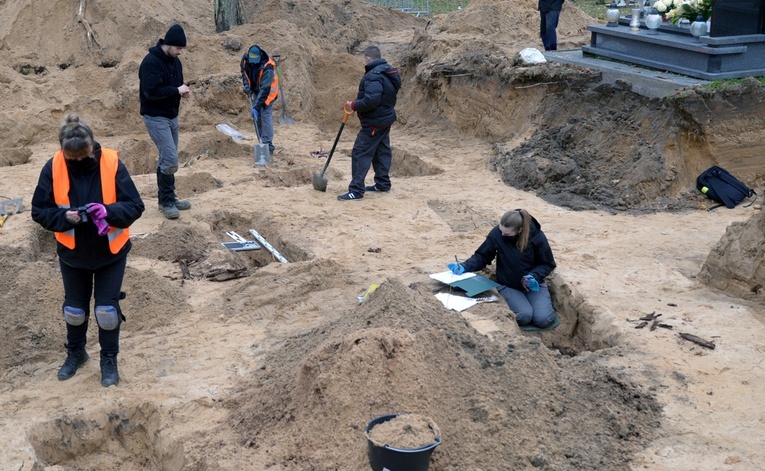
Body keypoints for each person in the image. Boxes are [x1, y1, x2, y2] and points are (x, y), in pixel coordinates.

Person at [31, 114, 145, 387]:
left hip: (111, 253)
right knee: (74, 310)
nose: (81, 162)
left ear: (93, 145)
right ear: (63, 151)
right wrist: (66, 219)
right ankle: (76, 353)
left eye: (85, 155)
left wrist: (108, 211)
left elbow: (136, 206)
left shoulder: (112, 163)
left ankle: (109, 359)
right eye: (74, 158)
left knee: (106, 311)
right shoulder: (53, 166)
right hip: (73, 253)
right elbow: (40, 211)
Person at [448, 209, 559, 329]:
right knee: (524, 316)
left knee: (543, 320)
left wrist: (534, 276)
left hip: (534, 285)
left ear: (520, 230)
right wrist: (464, 266)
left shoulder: (537, 237)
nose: (502, 235)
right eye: (501, 231)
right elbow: (482, 256)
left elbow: (547, 264)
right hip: (508, 285)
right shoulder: (497, 233)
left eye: (506, 234)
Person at [139, 23, 192, 219]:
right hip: (155, 117)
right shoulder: (150, 63)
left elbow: (176, 85)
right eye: (178, 48)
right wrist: (177, 91)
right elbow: (150, 92)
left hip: (172, 116)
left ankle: (167, 199)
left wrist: (182, 91)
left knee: (167, 159)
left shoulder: (176, 62)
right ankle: (167, 202)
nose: (180, 52)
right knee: (170, 160)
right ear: (169, 44)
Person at [338, 45, 402, 201]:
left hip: (374, 122)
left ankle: (356, 191)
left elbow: (372, 100)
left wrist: (354, 105)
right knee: (381, 151)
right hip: (384, 119)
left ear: (367, 58)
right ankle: (382, 184)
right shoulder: (387, 71)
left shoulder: (373, 75)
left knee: (360, 152)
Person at [240, 44, 279, 155]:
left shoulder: (268, 67)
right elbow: (244, 73)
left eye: (255, 61)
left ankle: (267, 144)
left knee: (265, 114)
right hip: (257, 88)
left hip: (269, 91)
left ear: (260, 56)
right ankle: (261, 140)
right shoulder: (245, 59)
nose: (253, 63)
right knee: (258, 117)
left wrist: (257, 107)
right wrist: (246, 85)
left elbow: (265, 90)